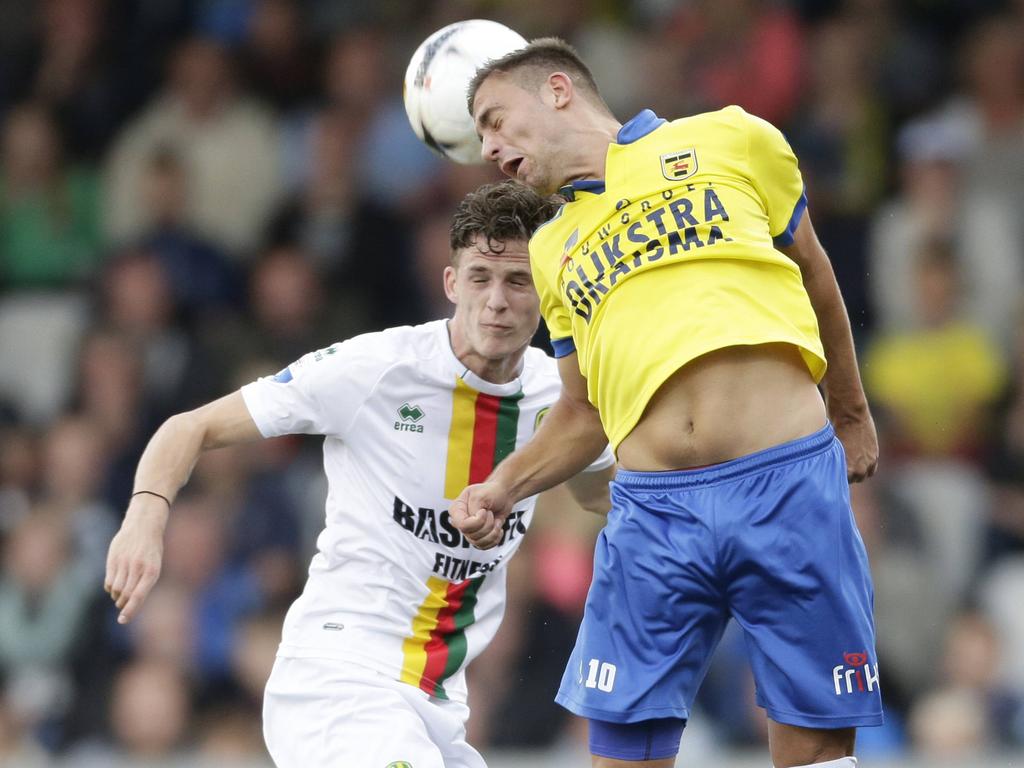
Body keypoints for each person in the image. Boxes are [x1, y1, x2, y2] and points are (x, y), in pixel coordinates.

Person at [454, 38, 882, 768]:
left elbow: (814, 273)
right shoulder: (553, 250)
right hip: (652, 514)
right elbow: (583, 412)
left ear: (558, 89)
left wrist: (851, 412)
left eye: (496, 119)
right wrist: (504, 484)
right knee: (619, 757)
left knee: (813, 749)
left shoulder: (731, 138)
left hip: (783, 482)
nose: (489, 147)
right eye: (480, 136)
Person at [104, 180, 616, 768]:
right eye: (480, 277)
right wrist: (144, 514)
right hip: (336, 679)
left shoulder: (561, 401)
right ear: (451, 283)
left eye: (518, 280)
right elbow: (188, 428)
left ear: (547, 292)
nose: (496, 300)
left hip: (436, 704)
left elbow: (605, 494)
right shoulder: (374, 369)